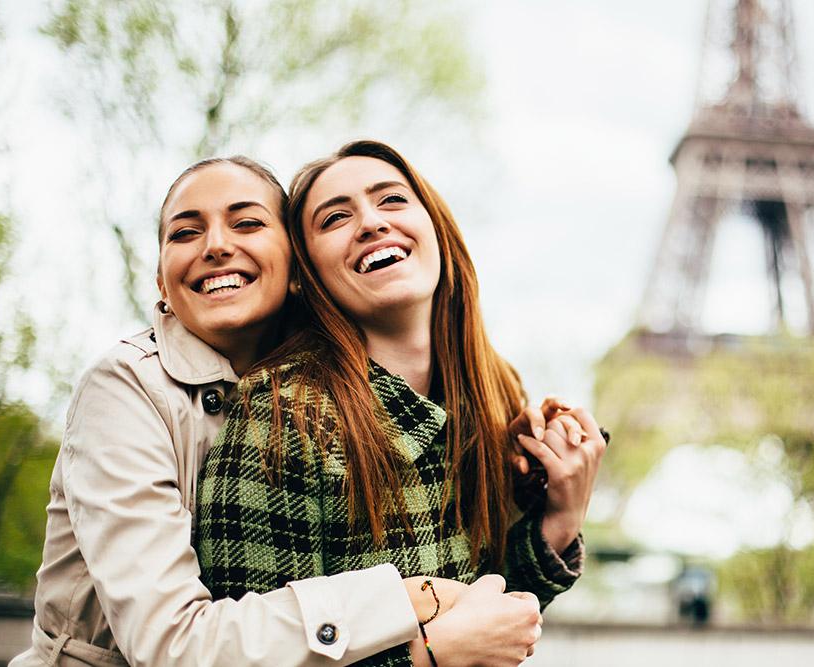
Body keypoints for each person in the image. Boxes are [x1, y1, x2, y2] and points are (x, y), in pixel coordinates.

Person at [12, 156, 543, 667]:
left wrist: (555, 522)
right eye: (184, 232)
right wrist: (413, 607)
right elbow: (173, 645)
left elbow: (488, 621)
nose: (216, 246)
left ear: (296, 273)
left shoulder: (349, 396)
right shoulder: (127, 388)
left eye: (245, 222)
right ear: (161, 284)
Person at [195, 140, 607, 666]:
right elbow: (246, 658)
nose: (370, 222)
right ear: (307, 274)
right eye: (335, 218)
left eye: (391, 200)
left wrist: (561, 516)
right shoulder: (281, 412)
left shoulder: (493, 395)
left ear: (436, 229)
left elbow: (495, 622)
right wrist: (425, 657)